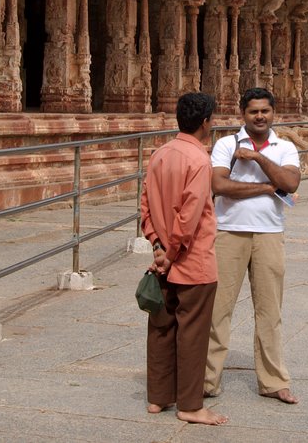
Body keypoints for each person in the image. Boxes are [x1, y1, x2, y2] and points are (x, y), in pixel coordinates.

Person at [205, 87, 302, 404]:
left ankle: (273, 381)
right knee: (218, 310)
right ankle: (207, 380)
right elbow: (219, 186)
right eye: (253, 111)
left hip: (269, 233)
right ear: (242, 114)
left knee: (269, 310)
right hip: (229, 231)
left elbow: (290, 184)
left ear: (274, 113)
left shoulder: (284, 147)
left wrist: (259, 157)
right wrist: (267, 186)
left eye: (265, 111)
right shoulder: (226, 144)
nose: (259, 116)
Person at [140, 92, 228, 426]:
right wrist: (172, 254)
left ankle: (158, 397)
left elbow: (145, 206)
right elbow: (189, 217)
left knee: (161, 326)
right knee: (192, 333)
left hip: (163, 255)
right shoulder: (199, 160)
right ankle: (190, 405)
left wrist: (157, 249)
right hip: (192, 262)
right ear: (206, 121)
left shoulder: (160, 154)